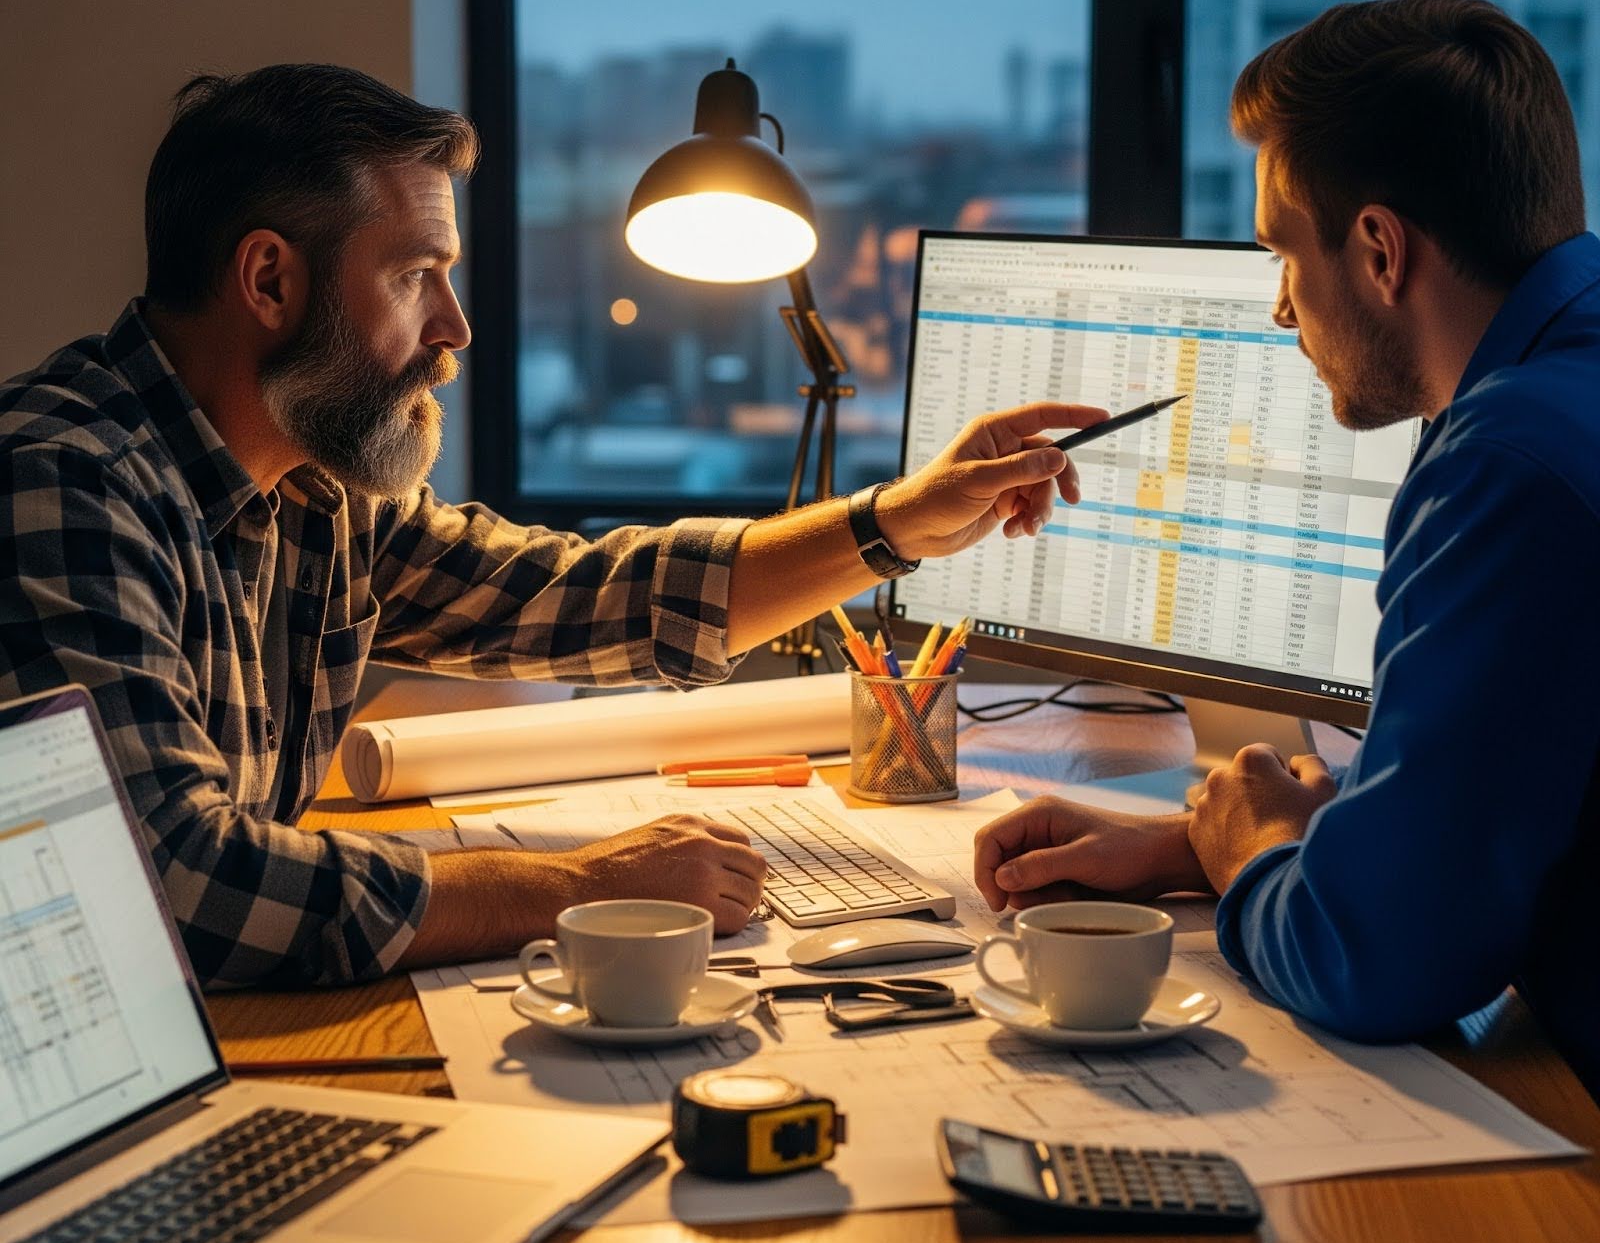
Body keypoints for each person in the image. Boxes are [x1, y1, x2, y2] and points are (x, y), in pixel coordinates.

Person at [0, 63, 1107, 989]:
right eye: (416, 275)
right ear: (269, 280)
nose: (455, 327)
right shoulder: (69, 482)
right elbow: (175, 888)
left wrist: (901, 521)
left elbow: (577, 598)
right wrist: (575, 886)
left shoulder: (311, 487)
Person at [973, 0, 1600, 1098]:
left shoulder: (1506, 463)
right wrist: (1195, 840)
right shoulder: (1560, 390)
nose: (1277, 309)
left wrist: (1252, 863)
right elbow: (1511, 771)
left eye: (1280, 254)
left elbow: (1381, 962)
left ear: (1377, 251)